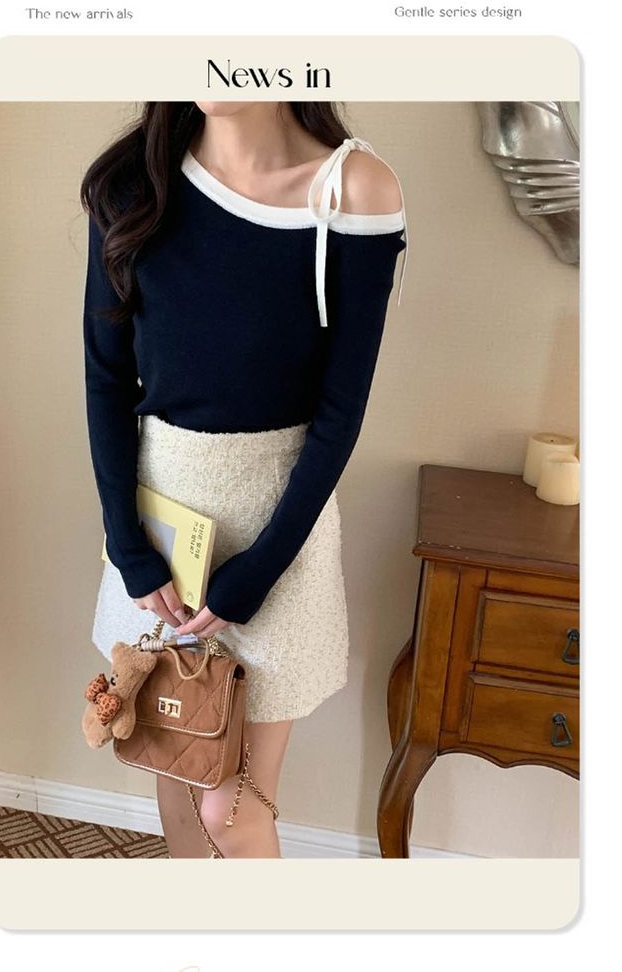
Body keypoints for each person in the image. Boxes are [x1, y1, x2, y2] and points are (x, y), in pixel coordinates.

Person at [80, 100, 408, 859]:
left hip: (279, 527)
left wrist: (260, 569)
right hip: (160, 526)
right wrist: (127, 546)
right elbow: (106, 379)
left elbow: (340, 411)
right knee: (175, 770)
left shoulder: (354, 190)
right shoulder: (132, 183)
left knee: (232, 809)